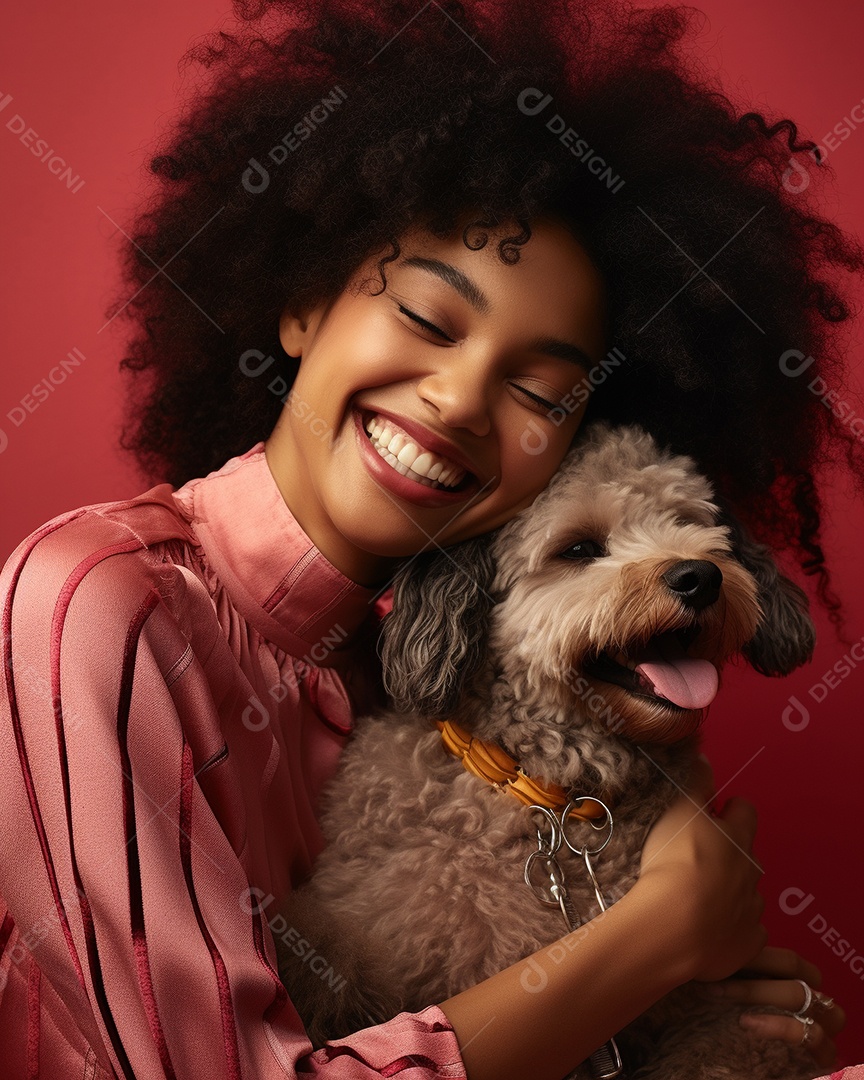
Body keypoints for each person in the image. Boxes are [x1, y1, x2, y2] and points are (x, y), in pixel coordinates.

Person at [0, 0, 859, 1075]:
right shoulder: (96, 609)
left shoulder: (434, 661)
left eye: (541, 388)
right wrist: (656, 937)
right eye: (425, 318)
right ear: (304, 304)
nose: (457, 400)